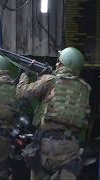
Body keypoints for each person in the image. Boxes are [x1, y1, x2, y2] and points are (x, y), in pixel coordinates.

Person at [17, 47, 91, 179]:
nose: (56, 64)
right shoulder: (85, 88)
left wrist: (24, 74)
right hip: (71, 146)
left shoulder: (50, 80)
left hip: (46, 144)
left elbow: (23, 93)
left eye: (59, 62)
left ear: (64, 63)